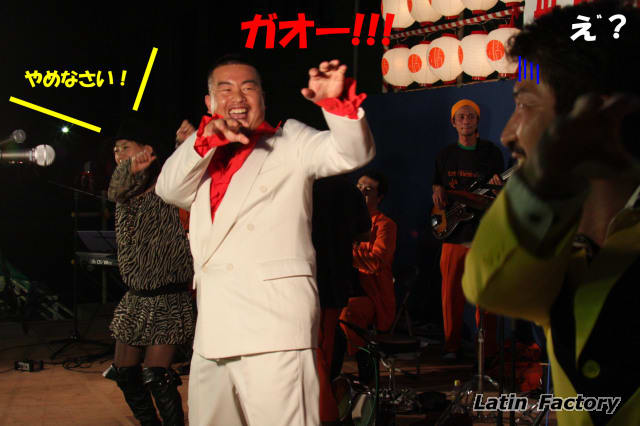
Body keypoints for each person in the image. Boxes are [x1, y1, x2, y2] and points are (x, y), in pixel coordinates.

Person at [155, 55, 375, 426]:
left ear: (263, 98)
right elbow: (168, 188)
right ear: (210, 102)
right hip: (213, 332)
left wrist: (336, 104)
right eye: (225, 88)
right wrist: (203, 140)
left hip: (275, 328)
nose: (237, 96)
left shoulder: (290, 141)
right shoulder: (203, 155)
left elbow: (352, 152)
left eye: (248, 87)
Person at [462, 1, 640, 424]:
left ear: (595, 115)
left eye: (525, 103)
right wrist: (546, 182)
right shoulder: (560, 245)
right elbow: (491, 285)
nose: (508, 133)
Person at [104, 118, 195, 425]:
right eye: (116, 150)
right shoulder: (125, 188)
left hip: (168, 296)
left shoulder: (168, 181)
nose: (119, 154)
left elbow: (187, 167)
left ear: (147, 149)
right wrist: (129, 167)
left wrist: (184, 144)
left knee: (156, 375)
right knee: (124, 372)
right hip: (136, 298)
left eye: (125, 147)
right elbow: (115, 189)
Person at [431, 99, 504, 360]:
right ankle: (451, 346)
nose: (466, 121)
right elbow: (437, 187)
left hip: (483, 234)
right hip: (453, 236)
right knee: (450, 295)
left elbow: (497, 195)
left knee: (486, 296)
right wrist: (436, 191)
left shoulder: (491, 153)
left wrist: (496, 186)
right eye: (461, 116)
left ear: (478, 121)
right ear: (453, 122)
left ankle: (487, 352)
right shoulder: (445, 155)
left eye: (471, 116)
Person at [312, 175, 371, 425]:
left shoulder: (301, 184)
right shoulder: (349, 190)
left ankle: (322, 413)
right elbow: (365, 233)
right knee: (322, 349)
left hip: (305, 276)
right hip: (336, 276)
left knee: (312, 351)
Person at [338, 171, 397, 383]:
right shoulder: (341, 220)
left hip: (370, 294)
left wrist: (346, 251)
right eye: (359, 187)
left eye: (368, 190)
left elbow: (377, 262)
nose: (361, 192)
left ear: (379, 198)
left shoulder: (385, 225)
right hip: (341, 287)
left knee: (347, 314)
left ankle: (365, 370)